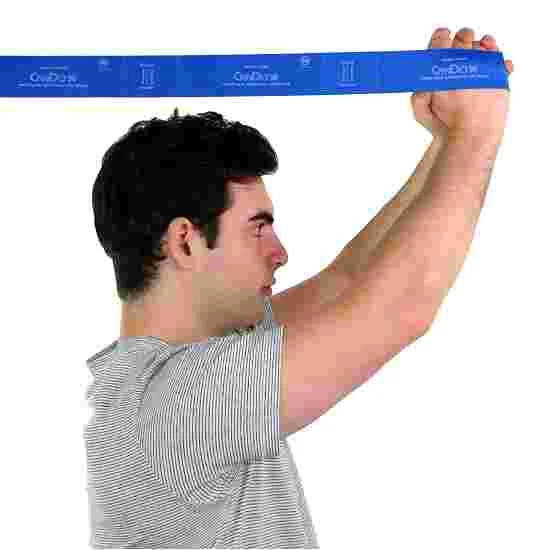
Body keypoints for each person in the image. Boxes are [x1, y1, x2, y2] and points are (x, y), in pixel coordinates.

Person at [84, 27, 513, 549]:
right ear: (185, 242)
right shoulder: (177, 405)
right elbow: (402, 308)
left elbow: (347, 283)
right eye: (257, 229)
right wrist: (476, 135)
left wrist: (447, 141)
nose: (280, 252)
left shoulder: (173, 377)